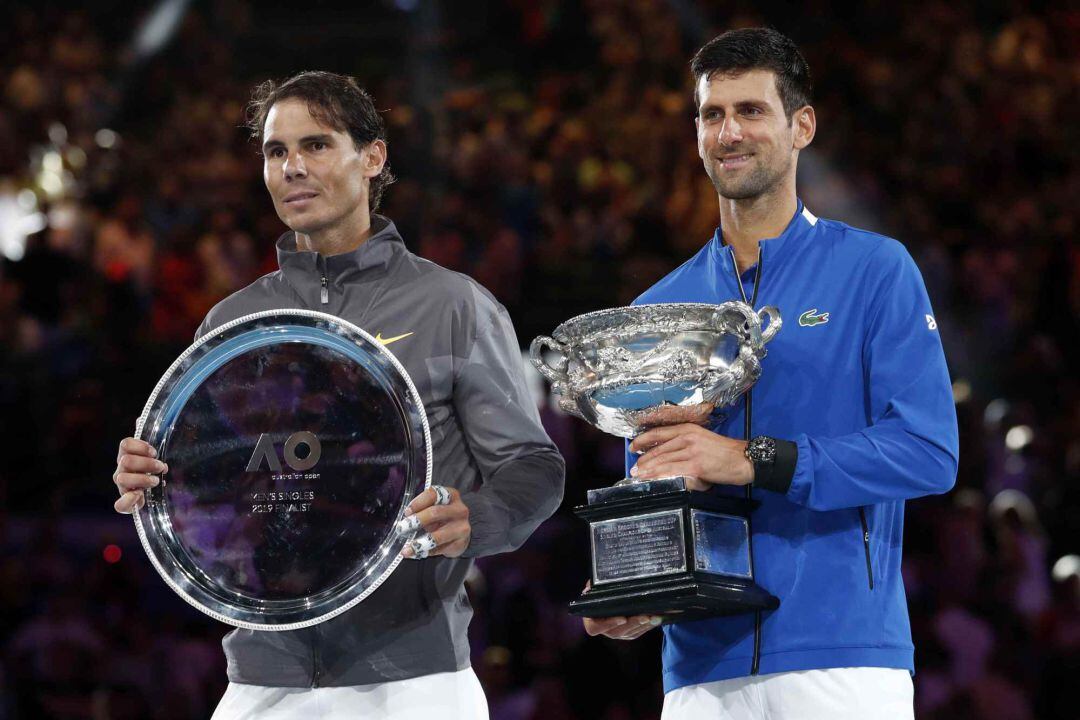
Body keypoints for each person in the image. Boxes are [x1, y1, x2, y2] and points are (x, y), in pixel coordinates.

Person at [111, 71, 565, 719]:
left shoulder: (453, 303)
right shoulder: (231, 325)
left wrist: (477, 519)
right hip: (265, 675)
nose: (293, 167)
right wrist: (156, 481)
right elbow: (219, 490)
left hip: (415, 678)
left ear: (372, 157)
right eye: (275, 152)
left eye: (317, 145)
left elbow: (534, 467)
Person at [583, 28, 958, 720]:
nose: (730, 132)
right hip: (698, 669)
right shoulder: (654, 310)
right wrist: (642, 588)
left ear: (801, 127)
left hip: (842, 659)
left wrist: (749, 459)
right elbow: (656, 476)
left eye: (751, 111)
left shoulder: (874, 271)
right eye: (712, 114)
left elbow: (929, 453)